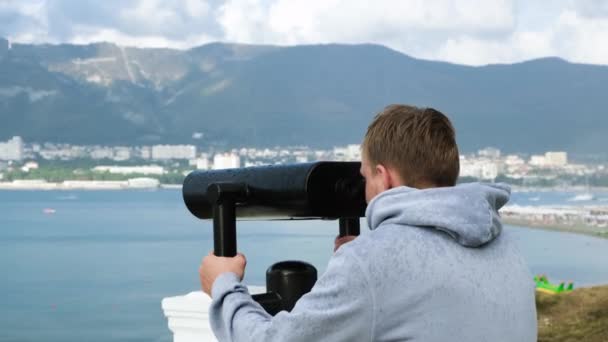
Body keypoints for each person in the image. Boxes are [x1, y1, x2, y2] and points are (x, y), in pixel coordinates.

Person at [199, 104, 538, 341]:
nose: (364, 192)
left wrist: (224, 286)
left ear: (383, 176)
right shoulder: (506, 244)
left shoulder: (371, 263)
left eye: (365, 179)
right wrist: (368, 262)